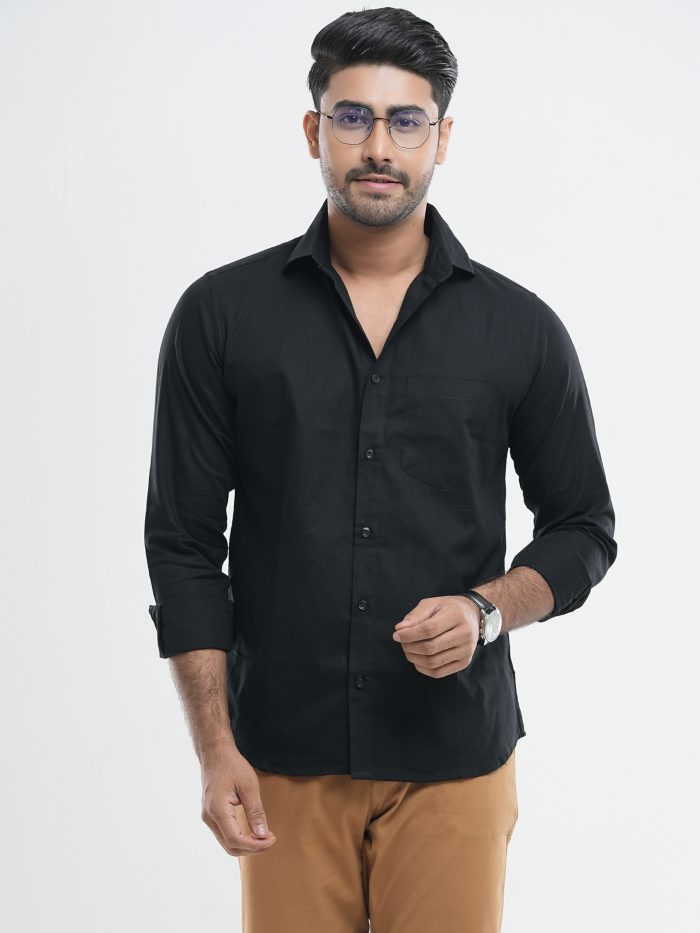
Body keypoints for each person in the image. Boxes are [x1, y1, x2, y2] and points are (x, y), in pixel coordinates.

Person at [144, 7, 617, 932]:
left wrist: (486, 610)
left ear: (442, 136)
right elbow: (184, 545)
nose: (378, 146)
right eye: (353, 116)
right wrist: (214, 748)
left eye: (406, 121)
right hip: (282, 755)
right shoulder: (221, 316)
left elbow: (583, 529)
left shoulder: (520, 329)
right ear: (314, 129)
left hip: (455, 756)